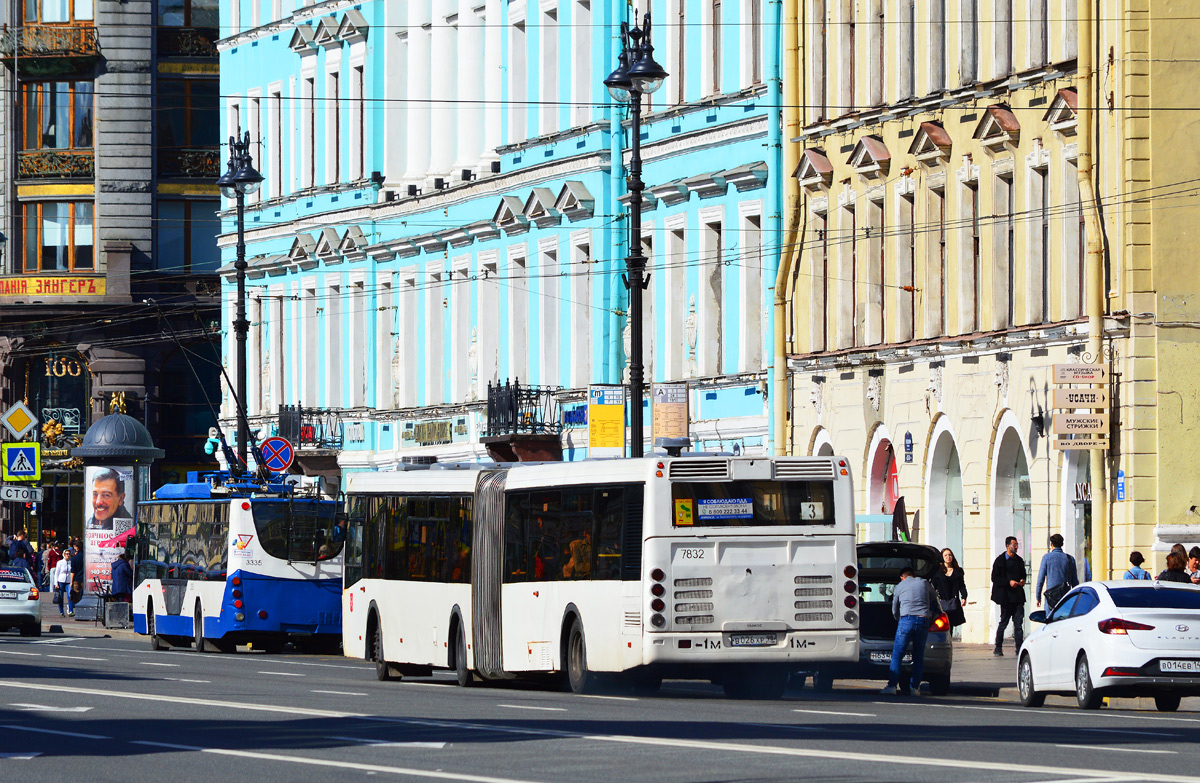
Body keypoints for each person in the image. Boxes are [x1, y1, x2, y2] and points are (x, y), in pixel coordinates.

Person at [880, 566, 938, 696]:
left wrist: (898, 619)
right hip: (923, 620)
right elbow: (934, 599)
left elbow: (895, 608)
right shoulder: (924, 583)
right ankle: (915, 688)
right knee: (918, 656)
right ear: (912, 575)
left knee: (897, 654)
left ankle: (892, 686)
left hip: (906, 620)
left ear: (902, 577)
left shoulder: (900, 586)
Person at [990, 536, 1027, 657]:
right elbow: (995, 578)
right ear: (1007, 546)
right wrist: (1008, 582)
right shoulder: (1000, 561)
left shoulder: (1019, 561)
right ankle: (998, 647)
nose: (1016, 547)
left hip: (1017, 597)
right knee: (1003, 623)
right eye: (1014, 544)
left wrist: (1022, 581)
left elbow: (1023, 575)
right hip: (1006, 598)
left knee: (1018, 624)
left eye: (1017, 545)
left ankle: (1019, 648)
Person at [1036, 534, 1079, 609]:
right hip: (1065, 597)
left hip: (1051, 597)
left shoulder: (1046, 558)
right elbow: (1075, 581)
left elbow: (1040, 579)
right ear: (1062, 544)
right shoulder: (1070, 559)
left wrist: (1038, 597)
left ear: (1051, 544)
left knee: (1050, 618)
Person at [931, 548, 968, 629]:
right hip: (941, 602)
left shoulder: (958, 571)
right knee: (941, 624)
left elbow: (962, 585)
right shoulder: (937, 571)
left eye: (950, 555)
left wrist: (964, 597)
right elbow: (933, 586)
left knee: (950, 624)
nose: (948, 557)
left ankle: (949, 640)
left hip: (953, 602)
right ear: (942, 557)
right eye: (945, 555)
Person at [52, 550, 72, 616]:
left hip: (68, 581)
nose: (68, 555)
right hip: (61, 581)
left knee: (69, 595)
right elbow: (57, 573)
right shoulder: (60, 562)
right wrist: (56, 583)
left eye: (69, 554)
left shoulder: (70, 563)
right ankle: (61, 612)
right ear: (64, 554)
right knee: (61, 597)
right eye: (66, 554)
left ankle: (70, 610)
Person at [68, 544, 85, 616]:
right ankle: (84, 610)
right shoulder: (85, 557)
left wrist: (71, 581)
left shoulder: (74, 558)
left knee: (76, 595)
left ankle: (78, 610)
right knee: (85, 594)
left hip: (76, 579)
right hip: (84, 578)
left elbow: (73, 571)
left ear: (77, 548)